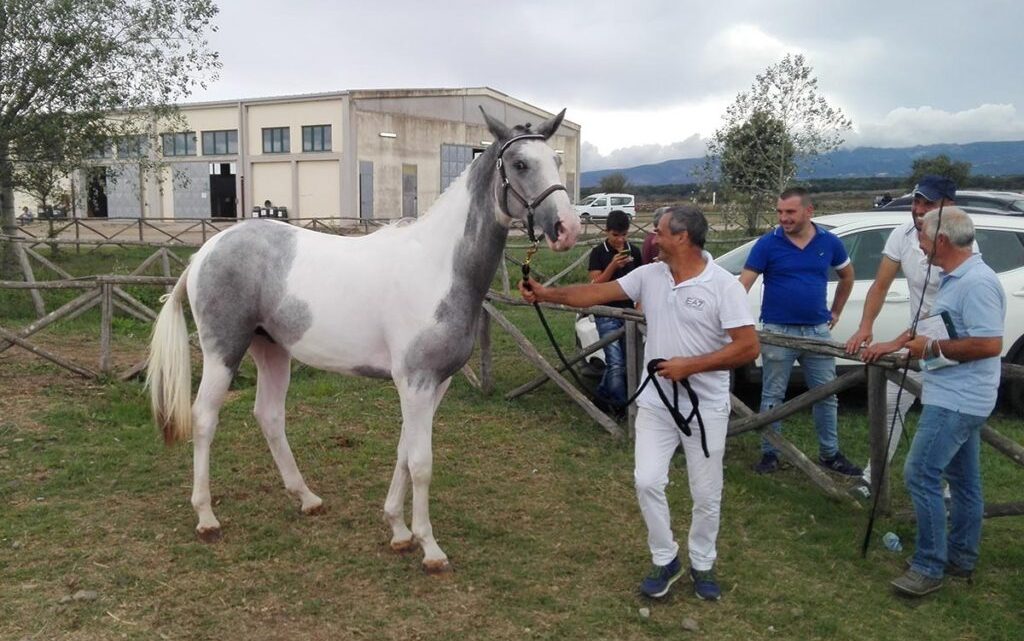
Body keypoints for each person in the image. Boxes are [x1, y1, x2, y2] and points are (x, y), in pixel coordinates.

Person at [520, 205, 759, 602]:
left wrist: (691, 366)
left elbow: (748, 347)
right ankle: (666, 559)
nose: (652, 238)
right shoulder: (651, 274)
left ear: (682, 237)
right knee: (646, 480)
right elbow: (598, 292)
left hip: (706, 407)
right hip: (656, 401)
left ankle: (703, 561)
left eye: (660, 232)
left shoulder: (723, 286)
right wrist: (547, 294)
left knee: (706, 492)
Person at [877, 207, 1005, 597]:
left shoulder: (977, 283)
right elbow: (940, 322)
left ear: (943, 242)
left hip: (958, 399)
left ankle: (928, 565)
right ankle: (960, 557)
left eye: (923, 237)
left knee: (920, 473)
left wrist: (929, 348)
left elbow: (989, 344)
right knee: (964, 481)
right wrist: (901, 343)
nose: (919, 243)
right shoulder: (956, 278)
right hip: (959, 395)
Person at [844, 176, 962, 491]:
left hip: (950, 347)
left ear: (948, 205)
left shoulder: (960, 241)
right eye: (916, 202)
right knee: (892, 401)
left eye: (928, 203)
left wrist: (897, 341)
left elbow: (943, 310)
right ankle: (873, 478)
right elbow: (880, 284)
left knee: (946, 419)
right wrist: (865, 326)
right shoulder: (902, 234)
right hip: (917, 343)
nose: (919, 210)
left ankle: (949, 491)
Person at [739, 187, 861, 476]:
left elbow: (847, 275)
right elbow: (743, 283)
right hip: (777, 331)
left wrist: (837, 311)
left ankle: (830, 454)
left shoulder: (829, 243)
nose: (783, 218)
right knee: (772, 395)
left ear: (809, 211)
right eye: (780, 212)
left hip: (817, 331)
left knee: (826, 395)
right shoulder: (767, 244)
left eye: (790, 212)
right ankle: (770, 454)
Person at [586, 210, 643, 415]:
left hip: (628, 311)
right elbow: (595, 286)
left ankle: (600, 397)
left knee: (628, 360)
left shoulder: (634, 252)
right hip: (606, 312)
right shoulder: (598, 253)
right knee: (616, 362)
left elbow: (643, 283)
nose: (620, 239)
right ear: (606, 232)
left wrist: (639, 308)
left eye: (624, 235)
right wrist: (613, 266)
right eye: (615, 235)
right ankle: (621, 408)